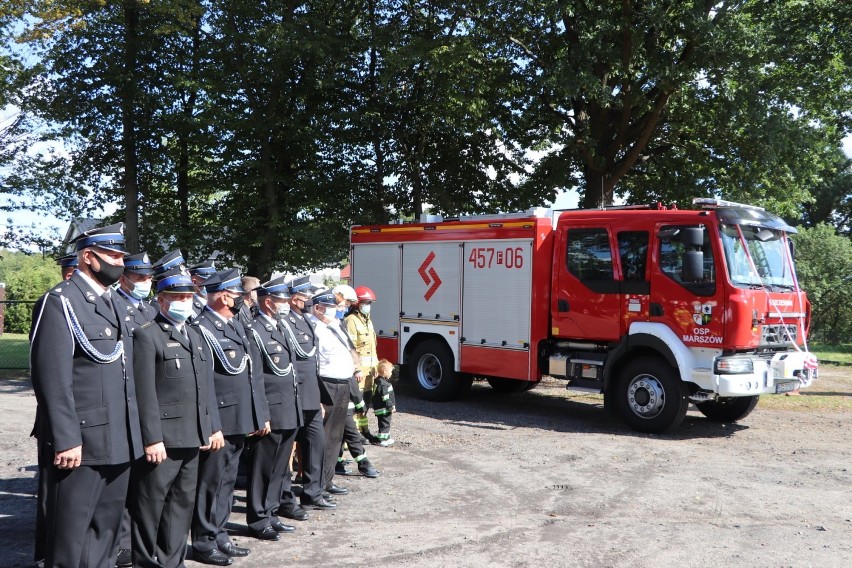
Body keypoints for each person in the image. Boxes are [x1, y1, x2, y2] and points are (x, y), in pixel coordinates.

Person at [29, 222, 144, 568]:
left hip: (119, 439)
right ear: (88, 257)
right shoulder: (60, 302)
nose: (119, 263)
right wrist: (66, 439)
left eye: (122, 256)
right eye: (112, 255)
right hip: (82, 443)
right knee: (70, 537)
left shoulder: (114, 304)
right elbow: (52, 379)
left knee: (106, 531)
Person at [130, 267, 225, 568]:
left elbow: (205, 386)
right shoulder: (147, 336)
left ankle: (172, 561)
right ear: (161, 301)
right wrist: (152, 438)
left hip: (193, 435)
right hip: (164, 440)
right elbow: (144, 393)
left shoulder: (195, 334)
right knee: (150, 504)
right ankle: (145, 561)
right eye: (178, 297)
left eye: (188, 296)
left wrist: (212, 427)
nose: (185, 301)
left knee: (181, 503)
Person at [191, 268, 270, 566]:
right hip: (220, 420)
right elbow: (203, 383)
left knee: (226, 482)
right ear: (224, 295)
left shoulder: (234, 324)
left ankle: (219, 534)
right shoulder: (202, 327)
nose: (241, 298)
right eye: (237, 294)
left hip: (238, 417)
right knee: (210, 483)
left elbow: (251, 374)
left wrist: (256, 415)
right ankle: (202, 541)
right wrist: (211, 425)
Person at [245, 276, 303, 539]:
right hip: (272, 408)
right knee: (263, 468)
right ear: (268, 302)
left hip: (288, 406)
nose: (286, 304)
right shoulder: (255, 330)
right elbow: (255, 377)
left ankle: (271, 512)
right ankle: (258, 519)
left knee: (280, 468)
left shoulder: (279, 326)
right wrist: (261, 413)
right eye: (281, 300)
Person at [112, 251, 156, 567]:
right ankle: (123, 545)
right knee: (125, 483)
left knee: (143, 481)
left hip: (150, 401)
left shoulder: (150, 309)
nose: (145, 283)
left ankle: (138, 543)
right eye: (139, 277)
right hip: (126, 399)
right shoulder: (116, 306)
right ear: (124, 278)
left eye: (148, 278)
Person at [278, 275, 336, 512]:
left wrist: (319, 396)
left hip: (310, 393)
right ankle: (284, 498)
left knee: (317, 442)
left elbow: (313, 361)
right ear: (294, 299)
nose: (309, 301)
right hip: (293, 393)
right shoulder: (285, 321)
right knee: (286, 449)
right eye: (305, 297)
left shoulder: (305, 320)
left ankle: (313, 492)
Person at [307, 290, 359, 499]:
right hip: (326, 385)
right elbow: (314, 363)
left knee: (335, 437)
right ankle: (315, 486)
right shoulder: (313, 327)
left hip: (342, 383)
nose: (338, 310)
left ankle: (327, 481)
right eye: (332, 306)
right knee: (323, 437)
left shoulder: (335, 325)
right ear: (318, 308)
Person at [344, 286, 379, 441]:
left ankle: (364, 430)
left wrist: (376, 367)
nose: (368, 305)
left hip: (370, 372)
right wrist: (356, 369)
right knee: (355, 404)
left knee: (365, 404)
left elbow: (372, 347)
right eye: (365, 302)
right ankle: (354, 432)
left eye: (370, 302)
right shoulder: (350, 321)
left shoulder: (368, 321)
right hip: (359, 373)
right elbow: (350, 347)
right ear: (357, 303)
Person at [336, 372, 380, 478]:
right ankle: (364, 464)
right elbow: (356, 394)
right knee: (353, 436)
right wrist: (362, 408)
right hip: (344, 411)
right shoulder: (347, 373)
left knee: (339, 437)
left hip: (336, 410)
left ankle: (336, 463)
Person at [372, 359, 397, 446]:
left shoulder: (381, 381)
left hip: (383, 408)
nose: (391, 373)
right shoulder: (382, 384)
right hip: (384, 408)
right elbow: (385, 397)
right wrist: (390, 406)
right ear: (384, 371)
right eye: (390, 371)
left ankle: (387, 437)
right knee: (384, 424)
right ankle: (382, 440)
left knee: (386, 423)